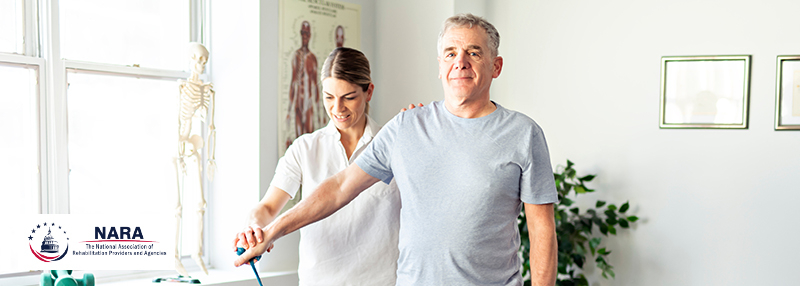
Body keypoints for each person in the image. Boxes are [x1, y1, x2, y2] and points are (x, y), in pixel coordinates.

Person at [236, 14, 559, 286]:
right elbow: (338, 189)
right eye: (450, 53)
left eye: (473, 53)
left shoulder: (523, 134)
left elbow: (542, 229)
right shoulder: (406, 127)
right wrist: (271, 232)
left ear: (496, 65)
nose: (460, 62)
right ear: (439, 65)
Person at [234, 47, 404, 285]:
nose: (337, 108)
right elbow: (268, 207)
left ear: (369, 92)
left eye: (349, 97)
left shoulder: (394, 146)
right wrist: (253, 228)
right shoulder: (304, 149)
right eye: (329, 97)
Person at [286, 21, 320, 149]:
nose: (305, 36)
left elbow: (316, 86)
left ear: (310, 35)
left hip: (309, 105)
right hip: (298, 105)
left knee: (310, 142)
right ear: (301, 34)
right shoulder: (296, 56)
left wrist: (320, 114)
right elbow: (293, 82)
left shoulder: (312, 58)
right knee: (299, 142)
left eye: (307, 33)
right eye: (303, 33)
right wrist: (289, 110)